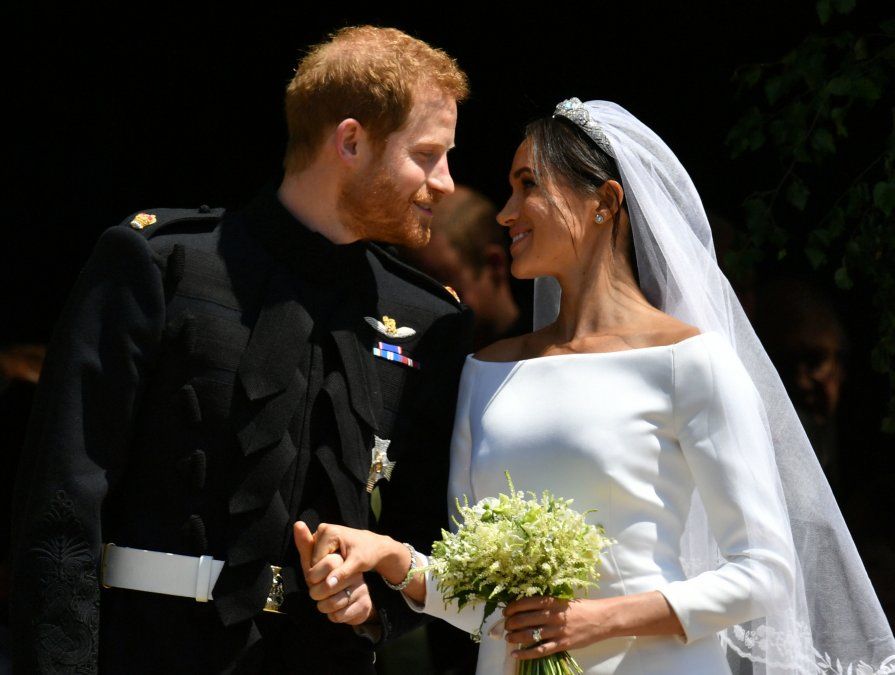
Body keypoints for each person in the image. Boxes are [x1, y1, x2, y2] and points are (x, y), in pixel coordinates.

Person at [293, 99, 895, 674]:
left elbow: (766, 571)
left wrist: (599, 619)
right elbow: (477, 597)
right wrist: (392, 559)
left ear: (604, 202)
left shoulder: (691, 363)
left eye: (528, 185)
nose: (506, 212)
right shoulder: (486, 373)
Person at [10, 26, 473, 673]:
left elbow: (430, 532)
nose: (446, 182)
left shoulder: (430, 319)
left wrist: (378, 609)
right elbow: (63, 503)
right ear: (350, 141)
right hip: (150, 650)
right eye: (427, 155)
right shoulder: (161, 265)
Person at [400, 186, 526, 351]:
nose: (421, 299)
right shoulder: (424, 354)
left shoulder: (539, 357)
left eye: (440, 279)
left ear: (495, 265)